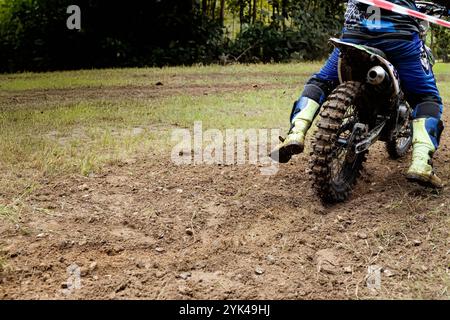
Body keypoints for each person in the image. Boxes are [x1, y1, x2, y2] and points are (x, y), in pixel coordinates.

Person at [270, 0, 450, 188]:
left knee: (321, 82)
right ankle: (422, 163)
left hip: (355, 36)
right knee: (426, 97)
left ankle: (296, 132)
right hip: (399, 38)